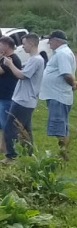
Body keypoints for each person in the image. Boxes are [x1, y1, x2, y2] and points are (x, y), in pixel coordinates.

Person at [1, 33, 44, 162]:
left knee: (10, 128)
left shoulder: (36, 60)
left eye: (24, 44)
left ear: (31, 44)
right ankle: (30, 155)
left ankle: (11, 157)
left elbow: (22, 75)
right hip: (25, 99)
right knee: (25, 130)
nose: (23, 46)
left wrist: (10, 64)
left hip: (23, 100)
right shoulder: (34, 59)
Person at [39, 30, 76, 158]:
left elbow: (67, 74)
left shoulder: (62, 54)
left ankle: (63, 154)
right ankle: (63, 152)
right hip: (56, 95)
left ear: (57, 40)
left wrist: (73, 84)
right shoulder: (61, 53)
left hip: (58, 96)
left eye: (50, 40)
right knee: (60, 126)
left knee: (59, 127)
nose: (48, 42)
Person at [0, 36, 21, 152]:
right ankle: (2, 145)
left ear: (6, 46)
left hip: (6, 95)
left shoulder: (12, 59)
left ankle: (7, 148)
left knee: (5, 123)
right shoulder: (5, 59)